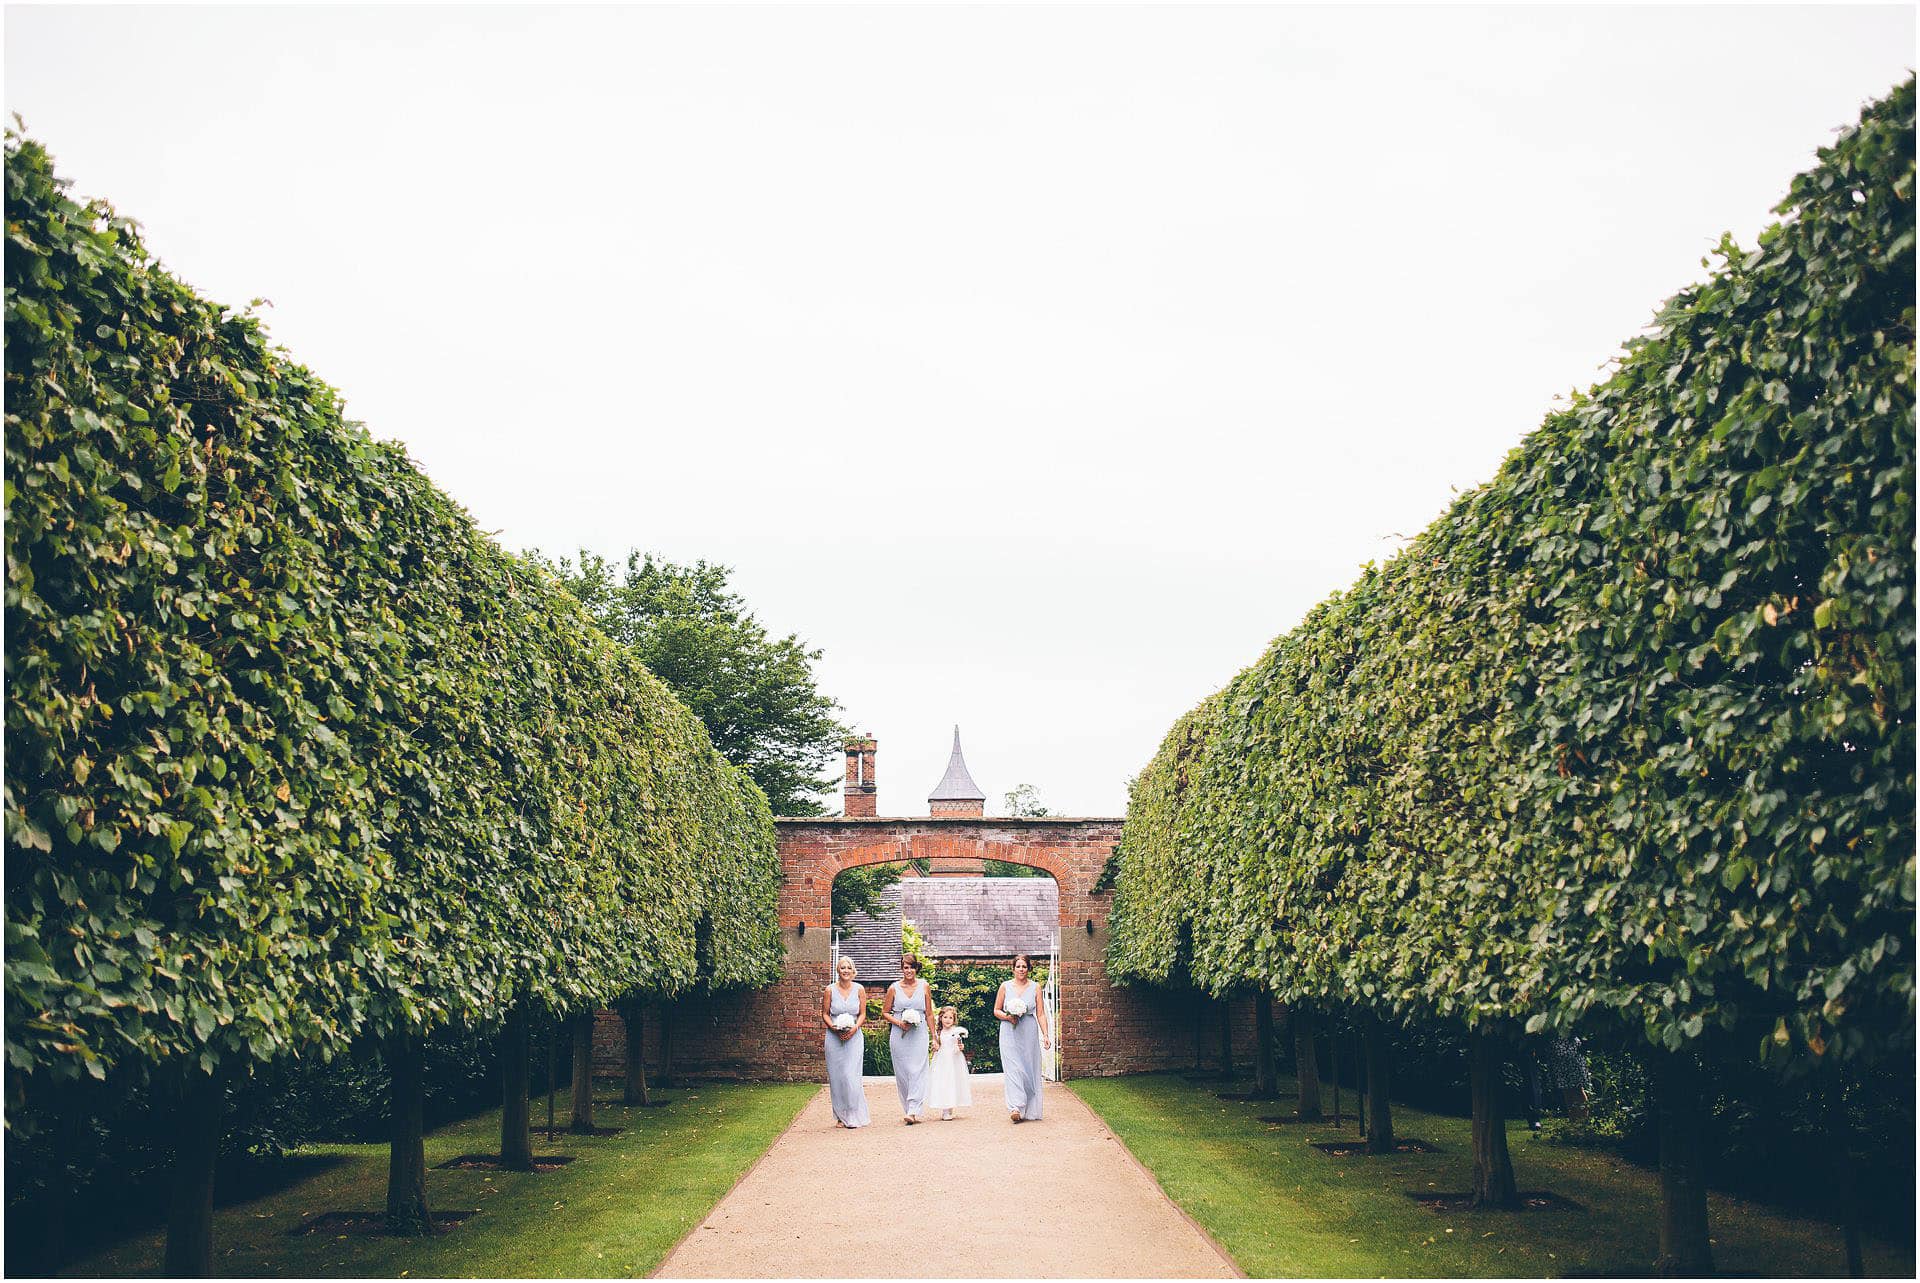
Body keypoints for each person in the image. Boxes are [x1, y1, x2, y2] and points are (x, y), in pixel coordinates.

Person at [994, 953, 1050, 1122]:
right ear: (1013, 969)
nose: (1021, 969)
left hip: (1028, 1031)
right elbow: (996, 1010)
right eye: (1018, 966)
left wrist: (1046, 1035)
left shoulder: (1036, 987)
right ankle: (1015, 1107)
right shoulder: (1005, 986)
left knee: (1028, 1069)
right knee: (1013, 1069)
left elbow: (1040, 1014)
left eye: (1024, 966)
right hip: (1009, 1031)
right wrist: (1008, 1017)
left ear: (1028, 969)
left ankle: (1028, 1105)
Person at [821, 956, 869, 1128]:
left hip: (854, 1037)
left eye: (849, 967)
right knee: (837, 1077)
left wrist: (854, 1028)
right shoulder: (829, 990)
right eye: (843, 967)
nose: (846, 970)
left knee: (850, 1076)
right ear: (838, 970)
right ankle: (840, 1116)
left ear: (853, 970)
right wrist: (834, 1028)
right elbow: (825, 1013)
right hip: (834, 1038)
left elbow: (863, 1013)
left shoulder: (859, 989)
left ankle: (853, 1112)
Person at [884, 955, 932, 1124]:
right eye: (905, 967)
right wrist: (899, 1023)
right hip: (899, 1035)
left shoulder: (924, 986)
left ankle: (913, 1109)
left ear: (916, 968)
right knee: (903, 1072)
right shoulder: (894, 988)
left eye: (911, 967)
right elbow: (885, 1012)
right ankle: (907, 1107)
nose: (909, 971)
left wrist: (935, 1037)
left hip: (919, 1033)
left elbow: (929, 1013)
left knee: (917, 1071)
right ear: (902, 969)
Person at [926, 1004, 972, 1120]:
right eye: (945, 1017)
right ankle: (945, 1107)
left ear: (954, 1020)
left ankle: (949, 1107)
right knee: (943, 1082)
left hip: (954, 1060)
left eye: (950, 1018)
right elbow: (936, 1046)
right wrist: (934, 1046)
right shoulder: (938, 1033)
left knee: (952, 1081)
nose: (947, 1020)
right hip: (942, 1060)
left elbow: (959, 1045)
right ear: (941, 1018)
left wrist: (961, 1047)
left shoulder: (956, 1032)